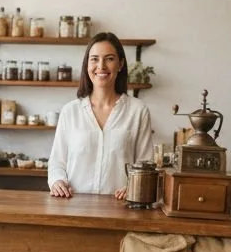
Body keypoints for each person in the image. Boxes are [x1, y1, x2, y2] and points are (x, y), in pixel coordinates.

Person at [47, 31, 155, 199]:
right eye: (94, 59)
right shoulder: (70, 111)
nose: (101, 66)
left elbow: (145, 164)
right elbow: (57, 162)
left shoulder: (138, 111)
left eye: (109, 59)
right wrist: (57, 181)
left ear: (120, 64)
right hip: (73, 208)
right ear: (87, 65)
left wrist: (134, 186)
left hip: (121, 210)